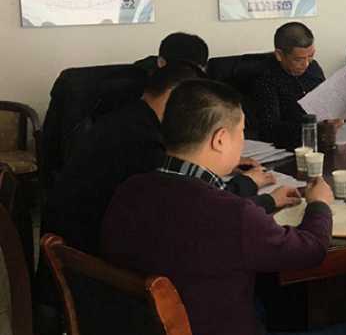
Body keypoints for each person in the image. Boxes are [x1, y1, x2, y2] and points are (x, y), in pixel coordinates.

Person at [101, 80, 346, 335]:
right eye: (241, 132)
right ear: (219, 139)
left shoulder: (129, 190)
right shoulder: (230, 213)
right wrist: (319, 204)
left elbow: (197, 219)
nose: (242, 142)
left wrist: (267, 201)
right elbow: (311, 250)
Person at [42, 62, 283, 256]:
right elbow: (199, 207)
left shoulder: (129, 118)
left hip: (88, 246)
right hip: (95, 257)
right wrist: (252, 185)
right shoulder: (142, 140)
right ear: (172, 95)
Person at [249, 22, 327, 148]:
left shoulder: (313, 68)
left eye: (311, 56)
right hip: (290, 146)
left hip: (321, 140)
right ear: (279, 55)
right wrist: (315, 129)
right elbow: (269, 129)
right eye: (298, 59)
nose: (306, 64)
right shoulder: (265, 77)